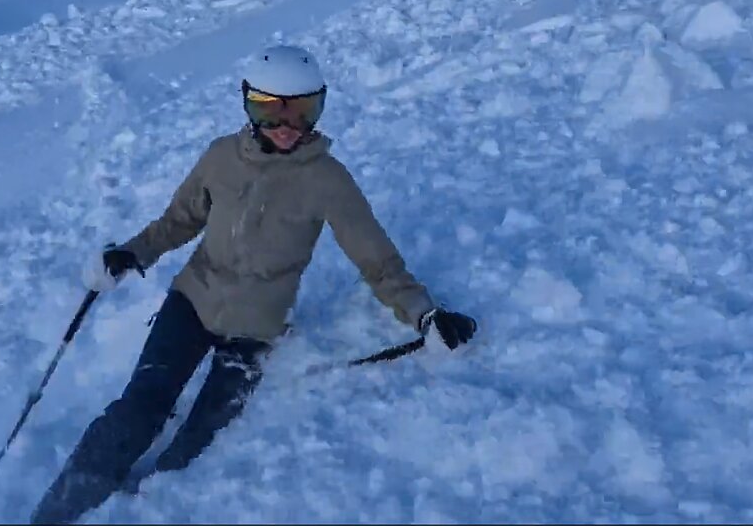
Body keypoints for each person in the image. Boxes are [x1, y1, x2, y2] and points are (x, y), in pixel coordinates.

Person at [30, 44, 477, 524]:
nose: (286, 126)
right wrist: (131, 253)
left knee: (199, 443)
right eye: (269, 109)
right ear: (248, 105)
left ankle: (146, 510)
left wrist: (424, 313)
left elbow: (378, 262)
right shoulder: (221, 158)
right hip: (192, 302)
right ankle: (57, 513)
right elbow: (179, 221)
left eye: (301, 110)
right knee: (139, 411)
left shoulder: (329, 180)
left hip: (254, 329)